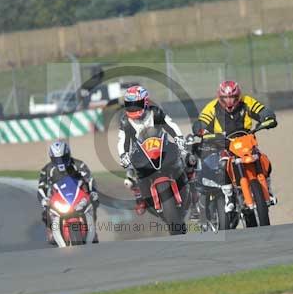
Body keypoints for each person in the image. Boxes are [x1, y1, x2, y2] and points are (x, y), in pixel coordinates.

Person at [192, 80, 278, 207]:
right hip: (224, 142)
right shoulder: (212, 107)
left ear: (238, 95)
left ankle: (267, 190)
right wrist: (200, 129)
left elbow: (262, 110)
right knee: (222, 164)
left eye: (233, 97)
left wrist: (268, 117)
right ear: (219, 97)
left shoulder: (247, 101)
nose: (229, 101)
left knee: (264, 160)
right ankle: (229, 197)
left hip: (246, 140)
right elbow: (201, 122)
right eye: (225, 98)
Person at [117, 85, 199, 217]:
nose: (133, 108)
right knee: (129, 178)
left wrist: (178, 138)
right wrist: (123, 155)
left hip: (162, 147)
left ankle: (194, 197)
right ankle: (141, 198)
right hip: (140, 152)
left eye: (136, 104)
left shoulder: (155, 112)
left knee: (188, 159)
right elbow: (122, 141)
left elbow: (171, 125)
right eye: (129, 105)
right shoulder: (125, 121)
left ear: (145, 102)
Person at [37, 140, 99, 243]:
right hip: (57, 197)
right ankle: (51, 230)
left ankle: (93, 230)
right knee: (45, 211)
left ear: (68, 154)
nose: (60, 161)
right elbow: (41, 186)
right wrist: (44, 199)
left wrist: (93, 191)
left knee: (93, 202)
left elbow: (90, 179)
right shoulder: (47, 169)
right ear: (52, 158)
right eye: (57, 159)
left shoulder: (79, 165)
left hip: (78, 194)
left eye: (63, 157)